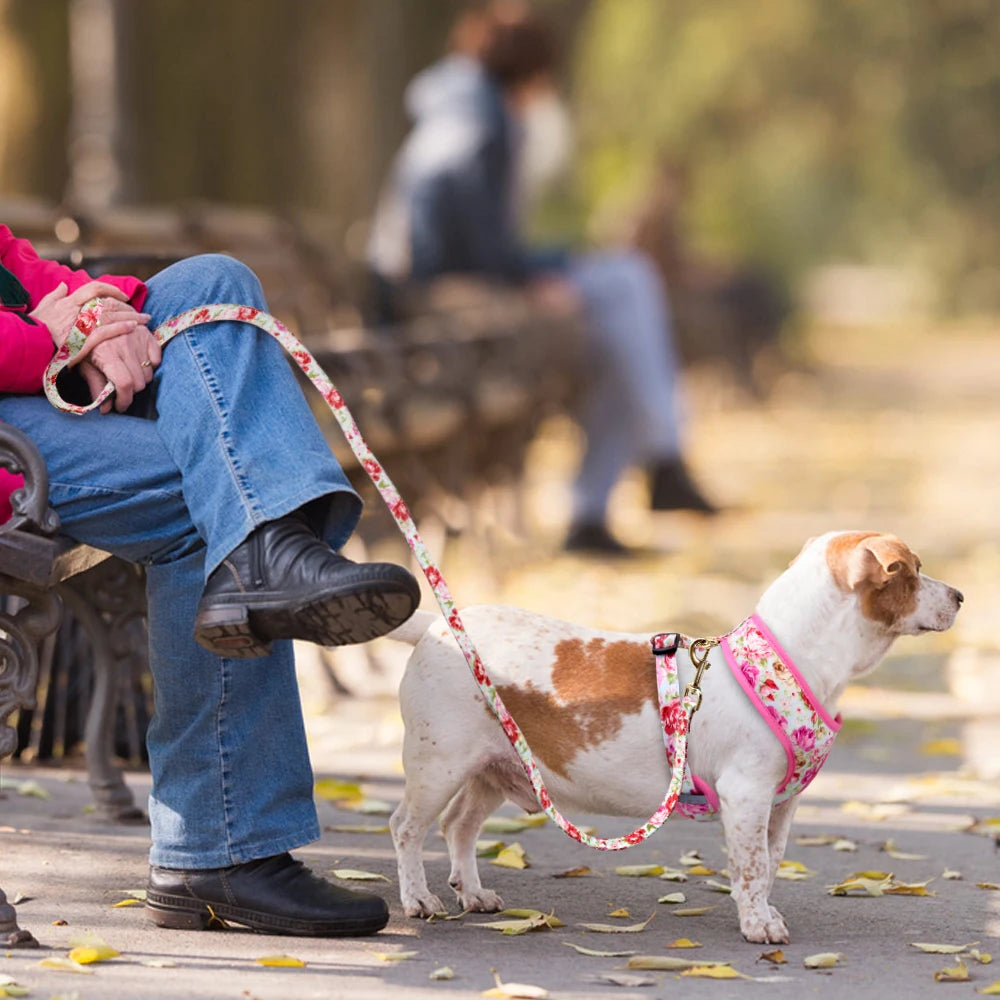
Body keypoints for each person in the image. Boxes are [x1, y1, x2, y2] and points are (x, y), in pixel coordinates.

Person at [0, 225, 422, 936]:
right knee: (229, 489)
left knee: (214, 284)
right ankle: (222, 850)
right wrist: (54, 341)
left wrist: (98, 318)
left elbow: (19, 267)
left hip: (37, 380)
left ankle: (269, 558)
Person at [368, 0, 715, 556]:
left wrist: (545, 265)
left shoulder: (458, 103)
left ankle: (602, 507)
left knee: (619, 332)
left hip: (429, 286)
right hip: (443, 296)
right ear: (532, 77)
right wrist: (537, 273)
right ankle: (658, 461)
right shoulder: (485, 120)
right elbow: (474, 246)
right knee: (626, 284)